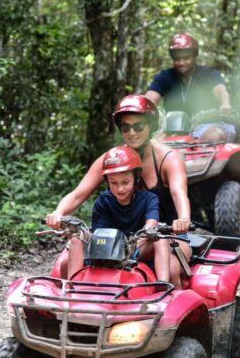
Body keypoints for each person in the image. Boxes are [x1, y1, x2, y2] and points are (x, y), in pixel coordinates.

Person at [46, 94, 191, 289]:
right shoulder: (113, 160)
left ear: (150, 126)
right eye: (125, 127)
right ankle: (74, 308)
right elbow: (78, 194)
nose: (132, 132)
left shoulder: (168, 159)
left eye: (138, 126)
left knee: (172, 269)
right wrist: (58, 213)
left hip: (166, 236)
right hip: (119, 238)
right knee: (64, 263)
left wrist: (183, 219)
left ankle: (171, 313)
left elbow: (179, 193)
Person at [63, 146, 171, 281]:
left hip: (136, 247)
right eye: (114, 183)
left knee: (161, 238)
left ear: (136, 178)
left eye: (125, 182)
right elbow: (100, 233)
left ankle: (162, 285)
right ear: (107, 181)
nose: (120, 188)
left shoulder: (150, 199)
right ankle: (72, 287)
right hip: (107, 251)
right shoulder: (103, 201)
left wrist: (146, 231)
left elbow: (152, 222)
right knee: (76, 239)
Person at [144, 33, 237, 142]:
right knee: (153, 144)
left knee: (213, 136)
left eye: (186, 58)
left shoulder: (208, 74)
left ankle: (204, 158)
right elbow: (149, 99)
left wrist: (225, 103)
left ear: (194, 56)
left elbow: (220, 90)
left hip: (209, 125)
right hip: (174, 129)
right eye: (177, 59)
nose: (181, 62)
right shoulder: (166, 76)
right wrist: (141, 109)